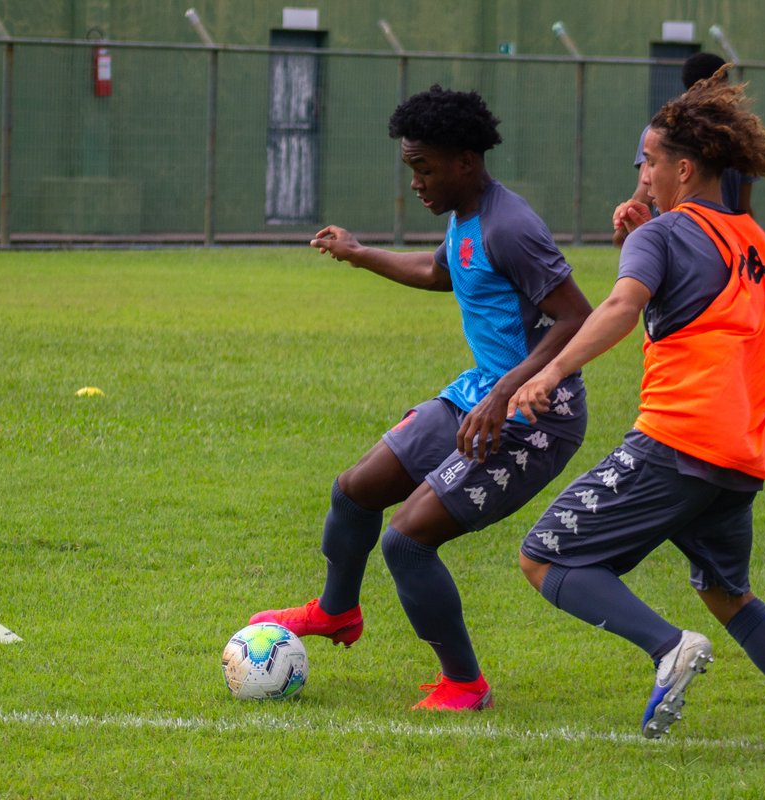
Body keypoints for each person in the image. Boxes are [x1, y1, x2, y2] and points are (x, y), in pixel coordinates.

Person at [508, 68, 765, 753]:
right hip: (741, 451)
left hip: (678, 439)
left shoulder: (664, 235)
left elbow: (622, 305)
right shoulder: (762, 246)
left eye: (648, 161)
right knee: (728, 595)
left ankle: (668, 648)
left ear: (684, 168)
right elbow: (730, 324)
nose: (643, 175)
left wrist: (550, 369)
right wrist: (641, 240)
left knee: (545, 557)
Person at [251, 85, 592, 712]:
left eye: (423, 168)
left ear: (465, 160)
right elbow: (440, 271)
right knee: (355, 490)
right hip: (481, 391)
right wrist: (359, 254)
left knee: (406, 540)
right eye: (411, 167)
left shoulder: (511, 226)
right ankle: (336, 611)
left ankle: (464, 684)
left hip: (536, 413)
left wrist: (506, 393)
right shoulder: (467, 216)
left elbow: (577, 316)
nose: (415, 182)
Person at [612, 52, 758, 247]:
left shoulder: (661, 130)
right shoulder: (737, 135)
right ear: (719, 85)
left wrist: (623, 230)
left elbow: (644, 192)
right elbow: (744, 208)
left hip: (681, 238)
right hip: (722, 240)